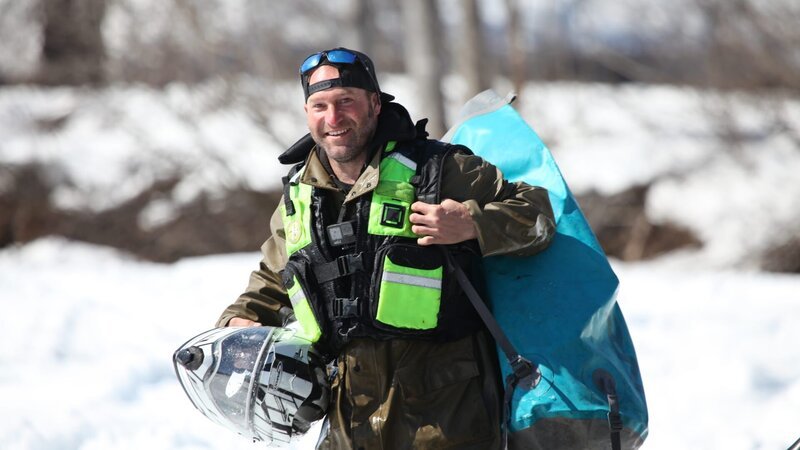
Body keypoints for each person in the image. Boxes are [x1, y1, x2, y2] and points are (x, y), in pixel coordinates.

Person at [216, 47, 556, 450]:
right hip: (347, 422)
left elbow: (538, 216)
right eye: (319, 105)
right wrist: (239, 321)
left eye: (346, 102)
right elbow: (273, 280)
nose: (333, 118)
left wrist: (471, 223)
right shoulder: (298, 197)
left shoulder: (439, 171)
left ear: (374, 103)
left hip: (447, 422)